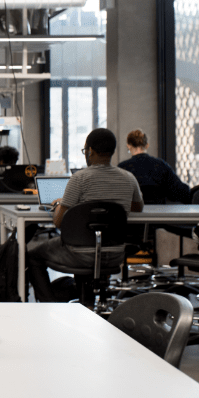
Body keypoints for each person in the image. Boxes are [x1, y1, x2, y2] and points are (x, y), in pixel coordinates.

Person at [26, 128, 144, 302]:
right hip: (115, 254)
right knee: (82, 243)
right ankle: (84, 301)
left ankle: (48, 304)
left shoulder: (79, 179)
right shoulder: (129, 178)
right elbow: (137, 208)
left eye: (85, 151)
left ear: (90, 151)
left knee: (33, 256)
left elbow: (59, 221)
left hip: (80, 254)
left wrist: (59, 204)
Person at [118, 128, 191, 205]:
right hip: (158, 213)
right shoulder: (161, 165)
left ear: (128, 146)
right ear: (147, 145)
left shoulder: (123, 168)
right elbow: (181, 191)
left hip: (132, 214)